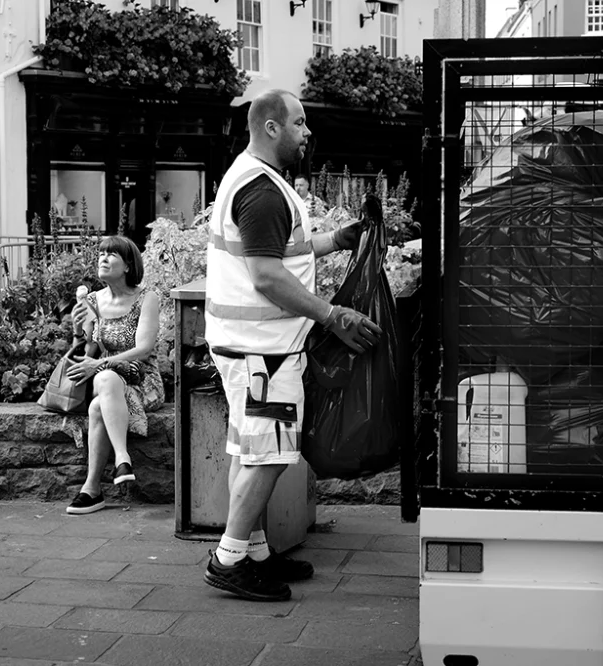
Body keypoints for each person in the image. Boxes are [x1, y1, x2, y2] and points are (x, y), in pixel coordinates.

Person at [203, 89, 382, 601]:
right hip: (265, 350)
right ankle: (230, 558)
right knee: (271, 456)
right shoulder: (261, 191)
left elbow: (284, 251)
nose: (308, 133)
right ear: (273, 128)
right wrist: (332, 315)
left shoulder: (254, 178)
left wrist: (338, 240)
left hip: (250, 345)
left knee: (249, 449)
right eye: (300, 123)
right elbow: (265, 276)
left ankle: (254, 550)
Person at [64, 235, 165, 515]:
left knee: (98, 403)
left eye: (111, 254)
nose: (103, 258)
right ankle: (122, 459)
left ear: (129, 265)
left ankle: (92, 489)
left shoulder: (147, 298)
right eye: (101, 254)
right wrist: (79, 328)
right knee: (106, 378)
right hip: (109, 379)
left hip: (141, 379)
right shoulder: (94, 301)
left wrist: (98, 365)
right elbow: (89, 349)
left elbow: (143, 350)